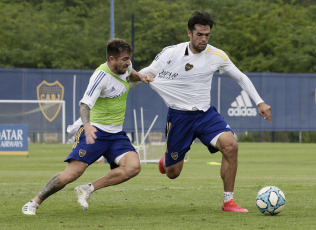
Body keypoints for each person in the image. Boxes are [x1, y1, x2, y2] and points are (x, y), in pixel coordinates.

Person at [139, 11, 271, 212]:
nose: (203, 39)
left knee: (231, 146)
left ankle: (228, 201)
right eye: (199, 34)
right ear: (189, 33)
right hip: (179, 117)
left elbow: (241, 78)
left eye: (207, 35)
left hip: (205, 115)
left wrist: (260, 102)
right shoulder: (171, 53)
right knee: (173, 173)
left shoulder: (217, 55)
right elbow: (148, 72)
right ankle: (167, 160)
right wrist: (142, 76)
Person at [22, 38, 153, 215]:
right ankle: (34, 202)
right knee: (71, 174)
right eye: (124, 59)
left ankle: (88, 188)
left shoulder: (126, 67)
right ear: (112, 59)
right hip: (94, 131)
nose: (128, 62)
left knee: (133, 167)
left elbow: (132, 73)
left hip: (115, 134)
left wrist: (142, 77)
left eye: (129, 58)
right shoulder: (100, 77)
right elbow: (84, 104)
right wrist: (87, 125)